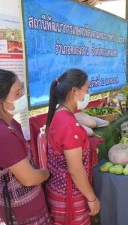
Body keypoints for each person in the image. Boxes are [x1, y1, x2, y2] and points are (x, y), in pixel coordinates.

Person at [45, 68, 100, 224]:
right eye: (86, 90)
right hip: (69, 196)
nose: (87, 95)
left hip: (59, 192)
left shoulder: (59, 114)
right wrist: (92, 198)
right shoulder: (69, 124)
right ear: (74, 91)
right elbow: (75, 170)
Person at [0, 69, 52, 224]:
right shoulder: (3, 135)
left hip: (31, 205)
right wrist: (45, 173)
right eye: (17, 94)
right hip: (21, 213)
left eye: (22, 90)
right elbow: (29, 178)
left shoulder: (11, 122)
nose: (22, 97)